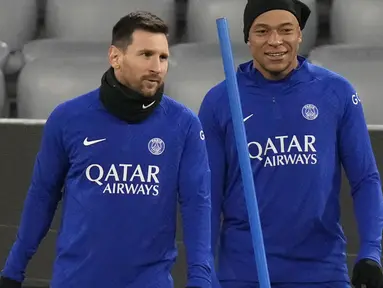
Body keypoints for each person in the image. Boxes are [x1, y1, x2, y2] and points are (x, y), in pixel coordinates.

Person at [0, 11, 213, 288]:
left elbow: (197, 205)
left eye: (163, 57)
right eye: (146, 54)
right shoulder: (68, 118)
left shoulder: (184, 124)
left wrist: (201, 279)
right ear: (115, 57)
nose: (157, 67)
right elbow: (42, 196)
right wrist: (13, 270)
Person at [198, 0, 383, 287]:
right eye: (262, 31)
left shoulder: (336, 92)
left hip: (323, 272)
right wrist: (203, 271)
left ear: (300, 34)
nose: (275, 41)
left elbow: (365, 179)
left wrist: (371, 251)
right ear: (248, 37)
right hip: (244, 273)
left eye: (285, 30)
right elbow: (207, 197)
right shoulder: (219, 101)